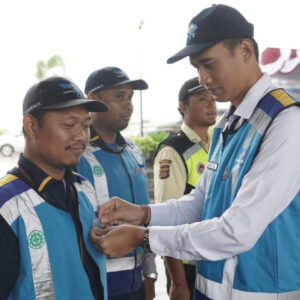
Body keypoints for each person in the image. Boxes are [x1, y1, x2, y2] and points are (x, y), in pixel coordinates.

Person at [89, 4, 300, 300]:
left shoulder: (287, 122)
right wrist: (144, 214)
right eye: (197, 68)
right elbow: (203, 202)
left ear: (245, 50)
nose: (203, 78)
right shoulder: (231, 123)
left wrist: (144, 238)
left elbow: (236, 230)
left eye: (209, 64)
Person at [0, 76, 109, 300]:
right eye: (69, 124)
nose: (81, 136)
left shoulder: (84, 189)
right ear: (31, 126)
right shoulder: (7, 206)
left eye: (86, 125)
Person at [77, 67, 157, 300]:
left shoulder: (134, 152)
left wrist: (150, 273)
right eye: (119, 96)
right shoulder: (77, 157)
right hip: (97, 287)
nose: (129, 104)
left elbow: (147, 216)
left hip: (138, 284)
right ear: (93, 101)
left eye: (130, 97)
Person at [153, 77, 216, 300]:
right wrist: (178, 282)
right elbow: (167, 220)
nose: (212, 104)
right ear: (183, 106)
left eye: (212, 99)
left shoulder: (217, 145)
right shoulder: (173, 151)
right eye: (202, 99)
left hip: (212, 261)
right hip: (187, 268)